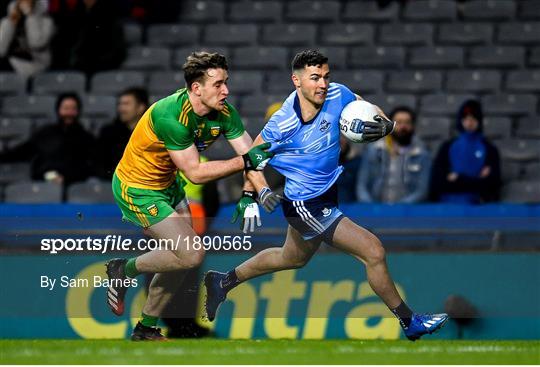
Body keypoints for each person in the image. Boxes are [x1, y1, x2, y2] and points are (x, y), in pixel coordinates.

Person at [204, 50, 448, 341]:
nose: (323, 84)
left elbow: (366, 107)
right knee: (373, 251)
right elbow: (251, 162)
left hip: (326, 194)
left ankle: (223, 281)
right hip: (305, 205)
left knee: (290, 258)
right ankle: (410, 322)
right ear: (296, 81)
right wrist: (258, 192)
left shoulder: (338, 93)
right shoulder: (282, 123)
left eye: (326, 77)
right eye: (315, 78)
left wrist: (384, 125)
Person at [104, 51, 274, 341]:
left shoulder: (225, 113)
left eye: (226, 82)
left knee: (181, 259)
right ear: (197, 88)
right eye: (219, 84)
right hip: (137, 188)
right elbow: (196, 173)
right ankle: (124, 268)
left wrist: (261, 190)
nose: (226, 90)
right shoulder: (170, 115)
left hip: (168, 185)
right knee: (192, 253)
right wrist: (247, 162)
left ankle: (145, 328)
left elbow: (253, 157)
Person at [0, 92, 95, 186]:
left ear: (78, 111)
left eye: (73, 109)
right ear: (58, 110)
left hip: (75, 186)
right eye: (65, 108)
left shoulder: (87, 138)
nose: (69, 113)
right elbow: (22, 152)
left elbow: (91, 167)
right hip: (43, 184)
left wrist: (66, 179)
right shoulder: (44, 134)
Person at [430, 99, 501, 203]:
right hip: (448, 207)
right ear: (461, 120)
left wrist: (458, 178)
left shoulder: (490, 149)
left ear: (479, 121)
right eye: (466, 119)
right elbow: (437, 183)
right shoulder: (447, 147)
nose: (469, 123)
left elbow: (492, 184)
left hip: (477, 208)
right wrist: (475, 179)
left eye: (473, 119)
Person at [357, 106, 431, 203]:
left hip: (408, 213)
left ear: (413, 126)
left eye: (407, 123)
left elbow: (422, 191)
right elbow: (361, 186)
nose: (403, 127)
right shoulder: (374, 150)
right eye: (398, 122)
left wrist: (399, 209)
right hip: (374, 212)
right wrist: (371, 208)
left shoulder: (421, 153)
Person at [96, 87, 149, 179]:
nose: (121, 108)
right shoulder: (108, 133)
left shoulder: (152, 133)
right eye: (120, 104)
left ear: (141, 108)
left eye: (126, 104)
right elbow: (101, 164)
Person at [0, 0, 54, 78]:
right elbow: (1, 50)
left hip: (36, 66)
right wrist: (12, 21)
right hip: (11, 64)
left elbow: (36, 43)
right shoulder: (9, 20)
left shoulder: (46, 20)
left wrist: (30, 15)